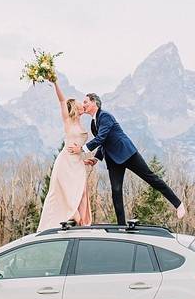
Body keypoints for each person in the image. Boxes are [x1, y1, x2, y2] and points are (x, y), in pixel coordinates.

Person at [68, 93, 187, 225]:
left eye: (85, 102)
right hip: (113, 160)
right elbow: (103, 142)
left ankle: (178, 204)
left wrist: (82, 149)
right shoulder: (93, 124)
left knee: (151, 177)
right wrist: (96, 159)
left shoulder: (105, 116)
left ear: (94, 103)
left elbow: (100, 138)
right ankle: (121, 226)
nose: (83, 105)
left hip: (127, 153)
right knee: (116, 191)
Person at [36, 78, 93, 231]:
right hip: (65, 162)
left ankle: (81, 222)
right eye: (80, 104)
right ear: (75, 106)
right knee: (65, 191)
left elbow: (80, 147)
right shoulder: (68, 121)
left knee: (80, 191)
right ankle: (71, 216)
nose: (83, 105)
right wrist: (55, 83)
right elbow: (62, 101)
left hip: (78, 163)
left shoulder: (82, 123)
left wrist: (86, 159)